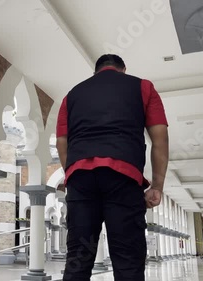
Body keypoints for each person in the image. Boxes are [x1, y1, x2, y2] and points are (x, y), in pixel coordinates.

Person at [56, 54, 169, 281]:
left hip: (81, 178)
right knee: (128, 259)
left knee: (78, 257)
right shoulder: (143, 87)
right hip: (123, 175)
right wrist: (157, 186)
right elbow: (160, 139)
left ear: (96, 71)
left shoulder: (72, 96)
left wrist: (72, 175)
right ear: (123, 70)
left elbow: (62, 143)